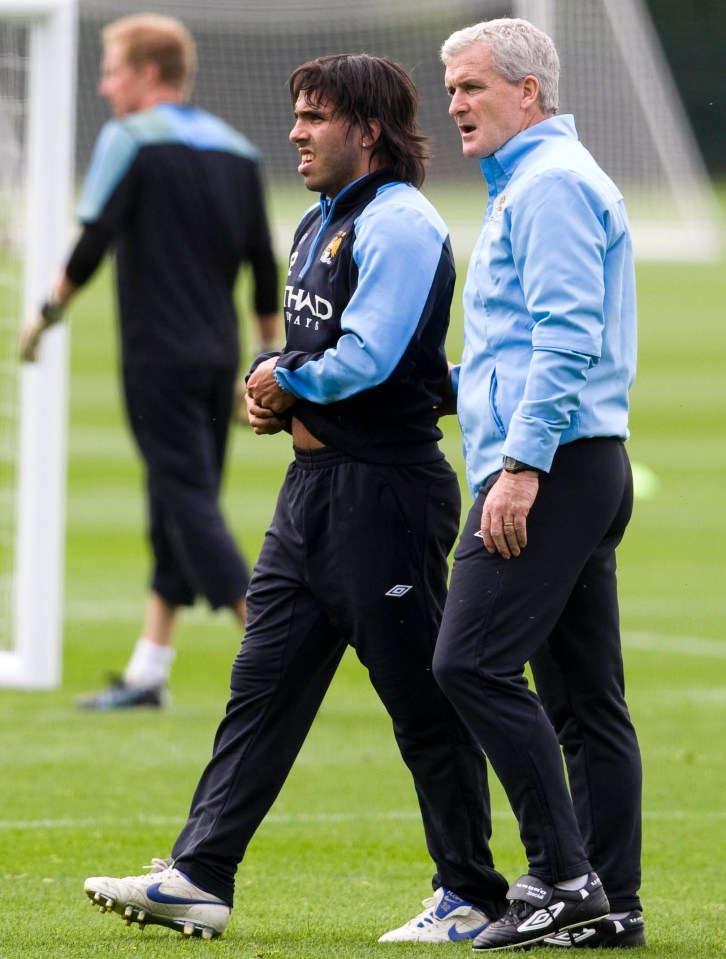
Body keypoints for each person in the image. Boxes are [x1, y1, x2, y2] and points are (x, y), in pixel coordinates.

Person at [81, 52, 511, 944]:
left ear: (370, 130)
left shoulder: (401, 223)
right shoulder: (319, 220)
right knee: (260, 690)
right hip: (310, 493)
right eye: (297, 114)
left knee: (421, 702)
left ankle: (474, 891)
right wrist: (267, 382)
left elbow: (368, 356)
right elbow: (305, 351)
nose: (296, 132)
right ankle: (200, 873)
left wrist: (282, 377)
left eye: (315, 117)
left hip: (384, 495)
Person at [429, 18, 644, 952]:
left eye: (472, 87)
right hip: (584, 460)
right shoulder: (543, 180)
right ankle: (614, 905)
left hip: (548, 465)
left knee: (466, 661)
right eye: (450, 88)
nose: (454, 104)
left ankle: (564, 878)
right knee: (585, 700)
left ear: (529, 93)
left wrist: (518, 466)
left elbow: (565, 337)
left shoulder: (549, 186)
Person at [20, 13, 280, 709]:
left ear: (146, 74)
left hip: (158, 360)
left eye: (112, 72)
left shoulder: (128, 139)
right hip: (219, 356)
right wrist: (263, 362)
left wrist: (43, 315)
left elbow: (92, 241)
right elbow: (263, 266)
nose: (105, 88)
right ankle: (148, 672)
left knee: (187, 503)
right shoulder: (238, 152)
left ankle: (273, 644)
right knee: (174, 502)